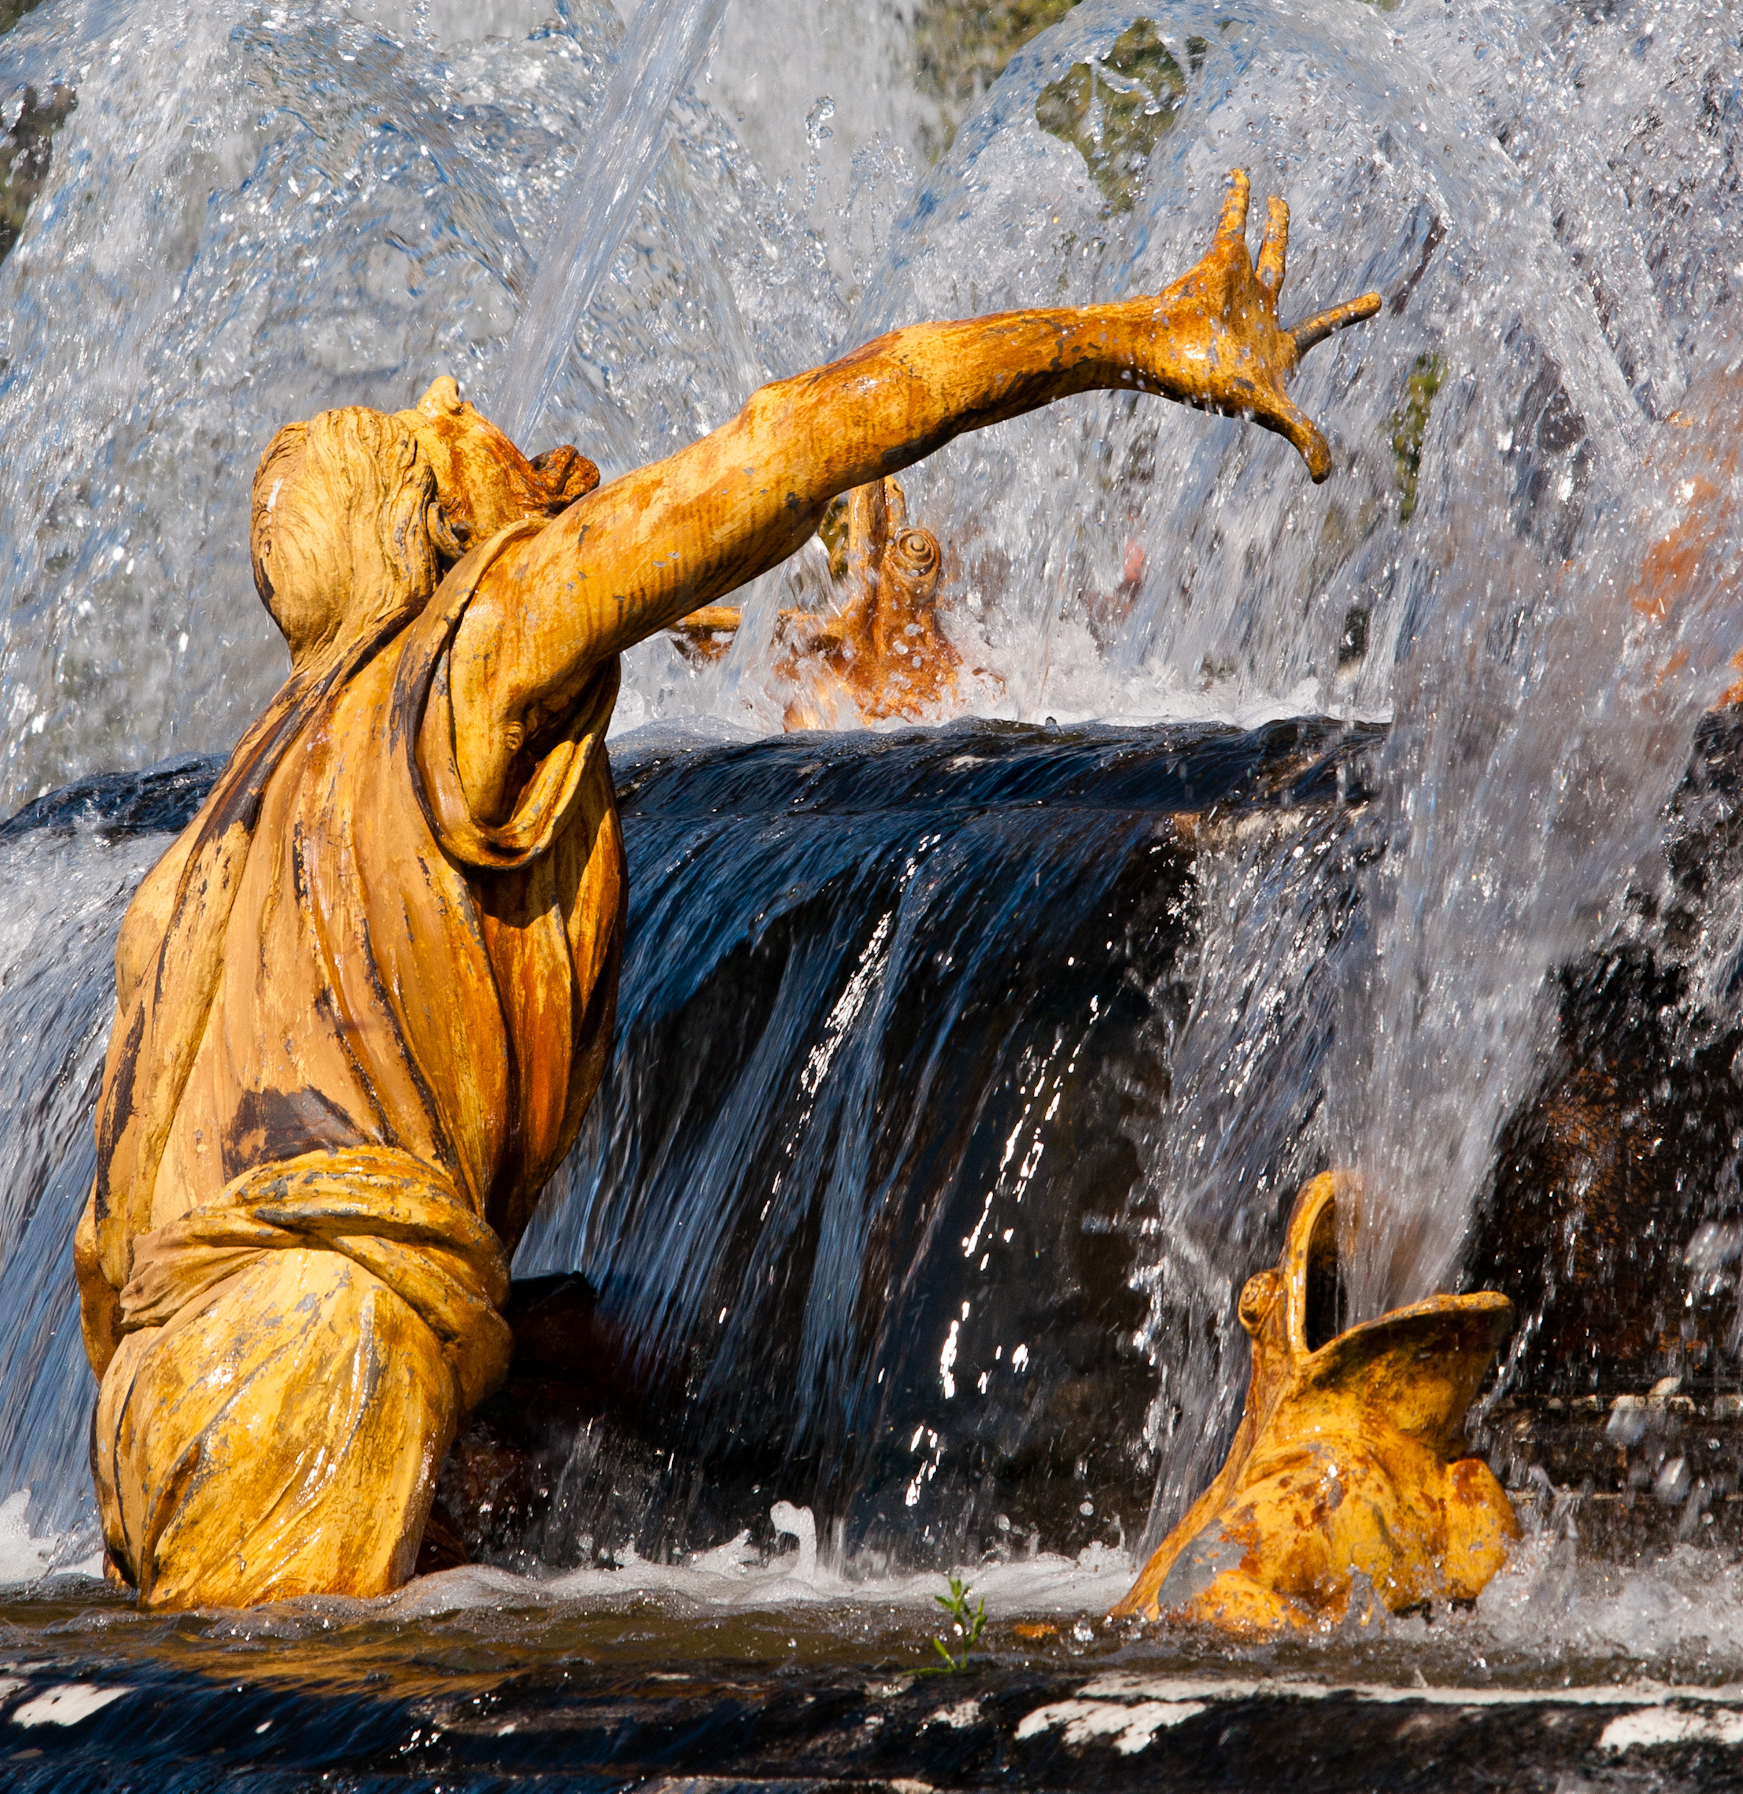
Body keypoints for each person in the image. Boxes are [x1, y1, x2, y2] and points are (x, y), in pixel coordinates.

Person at [75, 170, 1378, 1606]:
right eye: (459, 442)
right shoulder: (476, 642)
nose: (514, 441)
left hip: (158, 1395)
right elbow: (802, 441)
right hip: (308, 1355)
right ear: (436, 529)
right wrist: (1124, 337)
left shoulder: (221, 836)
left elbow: (112, 1236)